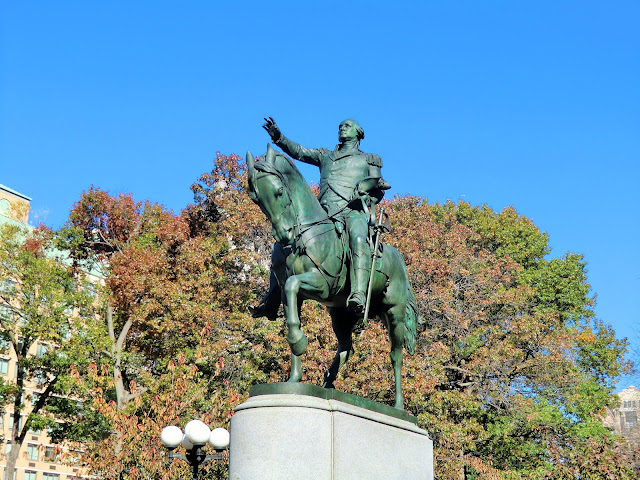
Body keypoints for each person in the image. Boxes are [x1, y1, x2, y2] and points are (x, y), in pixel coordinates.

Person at [251, 117, 390, 316]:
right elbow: (299, 151)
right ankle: (272, 300)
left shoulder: (369, 159)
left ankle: (358, 293)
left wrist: (365, 191)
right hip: (323, 212)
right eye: (341, 125)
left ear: (359, 133)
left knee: (358, 238)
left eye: (348, 126)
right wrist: (279, 138)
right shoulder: (326, 155)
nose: (343, 127)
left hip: (351, 211)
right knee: (283, 243)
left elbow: (379, 186)